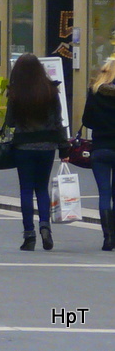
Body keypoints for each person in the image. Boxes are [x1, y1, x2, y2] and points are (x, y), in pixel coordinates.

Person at [6, 53, 70, 251]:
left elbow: (10, 122)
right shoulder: (50, 91)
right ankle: (45, 226)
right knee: (42, 189)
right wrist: (63, 148)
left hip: (24, 146)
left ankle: (29, 235)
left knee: (26, 189)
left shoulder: (15, 93)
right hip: (47, 146)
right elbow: (57, 122)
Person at [82, 56, 115, 251]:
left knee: (104, 193)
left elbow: (87, 121)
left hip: (101, 148)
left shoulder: (94, 93)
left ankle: (107, 238)